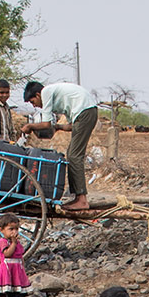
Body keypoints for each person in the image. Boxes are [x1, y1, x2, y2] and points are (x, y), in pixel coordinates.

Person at [22, 80, 100, 214]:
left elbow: (45, 124)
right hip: (86, 112)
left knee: (74, 155)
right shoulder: (58, 98)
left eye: (33, 102)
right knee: (72, 154)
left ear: (37, 94)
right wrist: (57, 127)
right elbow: (70, 126)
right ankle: (79, 197)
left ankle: (81, 199)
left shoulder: (46, 92)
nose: (35, 106)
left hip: (86, 112)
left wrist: (30, 126)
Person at [0, 216, 30, 297]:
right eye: (11, 229)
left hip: (16, 270)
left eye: (16, 229)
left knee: (17, 294)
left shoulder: (17, 243)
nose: (14, 232)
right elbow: (7, 254)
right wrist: (13, 243)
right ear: (1, 230)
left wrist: (23, 268)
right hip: (7, 271)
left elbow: (20, 255)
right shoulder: (3, 241)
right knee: (3, 294)